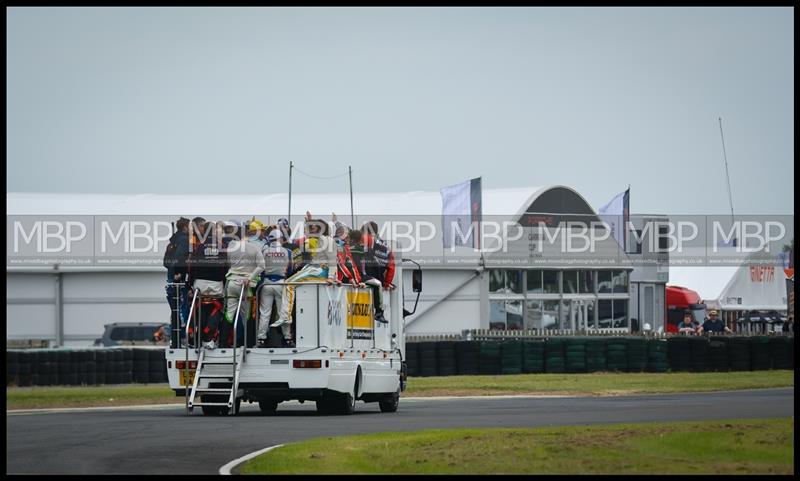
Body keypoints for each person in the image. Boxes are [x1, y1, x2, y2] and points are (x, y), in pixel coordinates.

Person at [271, 212, 338, 347]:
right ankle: (285, 316)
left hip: (320, 270)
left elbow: (333, 261)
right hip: (311, 267)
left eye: (312, 228)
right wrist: (309, 221)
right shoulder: (317, 239)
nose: (309, 230)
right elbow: (308, 234)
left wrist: (331, 277)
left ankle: (285, 316)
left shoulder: (328, 241)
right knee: (288, 283)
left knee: (289, 284)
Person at [221, 221, 265, 348]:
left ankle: (223, 343)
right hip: (247, 285)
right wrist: (250, 277)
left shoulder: (231, 246)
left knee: (229, 313)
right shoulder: (255, 247)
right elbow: (262, 266)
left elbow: (228, 263)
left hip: (232, 282)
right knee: (247, 315)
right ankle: (249, 344)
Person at [186, 220, 229, 349]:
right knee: (216, 309)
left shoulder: (199, 246)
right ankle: (208, 338)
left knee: (200, 309)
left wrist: (190, 284)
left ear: (204, 231)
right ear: (215, 231)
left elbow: (191, 267)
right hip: (217, 284)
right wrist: (224, 281)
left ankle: (197, 338)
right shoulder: (222, 246)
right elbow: (226, 266)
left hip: (200, 283)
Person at [257, 228, 292, 348]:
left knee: (265, 313)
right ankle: (287, 338)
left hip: (266, 283)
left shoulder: (264, 250)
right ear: (280, 239)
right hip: (281, 283)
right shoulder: (287, 251)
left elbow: (260, 268)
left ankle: (261, 339)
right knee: (283, 312)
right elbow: (291, 269)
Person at [360, 221, 395, 324]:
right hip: (379, 282)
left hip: (365, 279)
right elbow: (391, 267)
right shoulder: (386, 247)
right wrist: (386, 284)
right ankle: (379, 313)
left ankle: (379, 312)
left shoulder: (364, 240)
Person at [164, 217, 190, 347]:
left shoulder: (171, 243)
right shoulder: (184, 240)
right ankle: (185, 338)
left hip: (170, 280)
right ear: (185, 227)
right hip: (178, 280)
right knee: (182, 309)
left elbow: (165, 263)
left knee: (175, 310)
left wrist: (172, 273)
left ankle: (177, 339)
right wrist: (178, 274)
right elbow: (180, 258)